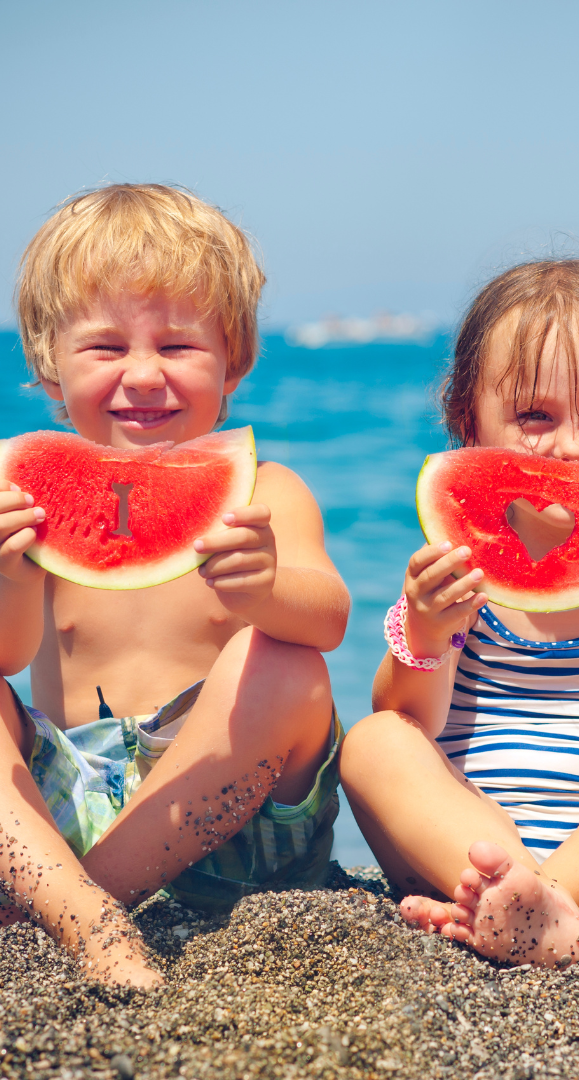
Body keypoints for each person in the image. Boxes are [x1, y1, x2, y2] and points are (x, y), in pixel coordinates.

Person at [0, 184, 350, 986]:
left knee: (291, 666)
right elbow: (9, 653)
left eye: (178, 346)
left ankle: (82, 908)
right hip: (70, 804)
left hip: (234, 819)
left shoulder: (268, 489)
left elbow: (329, 618)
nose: (144, 375)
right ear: (50, 368)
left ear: (237, 360)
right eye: (105, 348)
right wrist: (9, 569)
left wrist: (265, 592)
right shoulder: (25, 496)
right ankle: (86, 916)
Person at [340, 259, 579, 967]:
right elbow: (407, 714)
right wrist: (426, 630)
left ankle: (543, 901)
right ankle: (513, 903)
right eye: (535, 416)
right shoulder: (456, 561)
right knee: (373, 741)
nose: (573, 445)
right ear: (468, 423)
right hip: (465, 856)